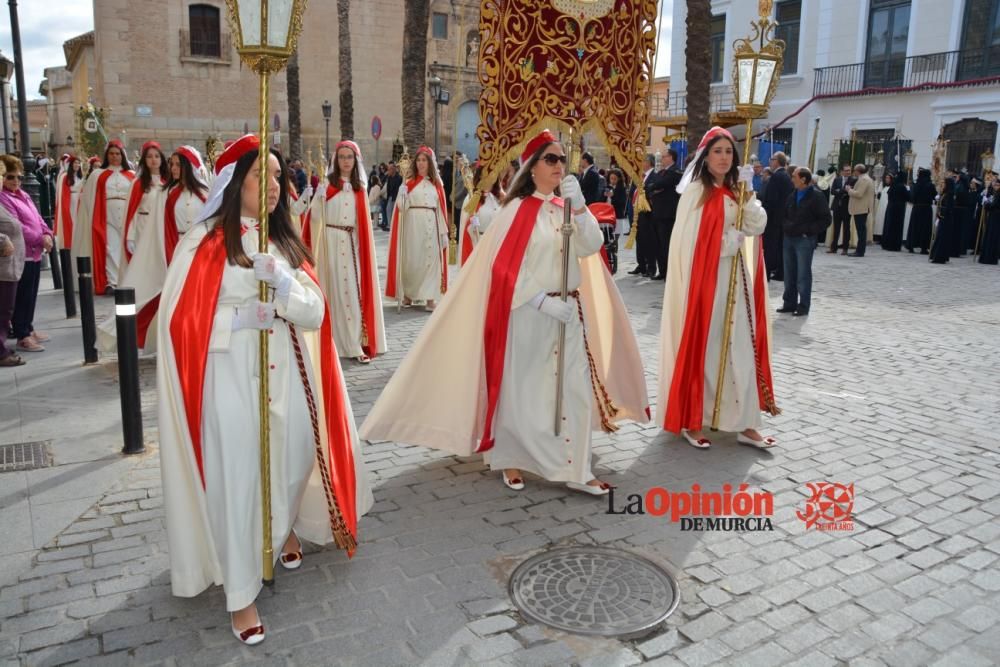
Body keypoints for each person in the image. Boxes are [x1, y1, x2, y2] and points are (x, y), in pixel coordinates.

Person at [156, 135, 373, 645]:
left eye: (278, 175)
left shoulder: (282, 240)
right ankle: (241, 593)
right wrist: (239, 318)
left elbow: (316, 313)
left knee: (293, 457)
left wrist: (283, 286)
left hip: (287, 378)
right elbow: (179, 324)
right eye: (263, 176)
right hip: (229, 380)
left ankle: (278, 531)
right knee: (240, 478)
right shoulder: (204, 240)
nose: (276, 186)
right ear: (236, 184)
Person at [360, 129, 648, 494]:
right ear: (532, 167)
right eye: (551, 159)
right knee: (524, 389)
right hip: (531, 310)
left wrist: (582, 209)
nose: (560, 165)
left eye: (562, 159)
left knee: (573, 388)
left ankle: (577, 468)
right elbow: (506, 266)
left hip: (569, 309)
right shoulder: (517, 209)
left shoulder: (566, 207)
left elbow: (590, 246)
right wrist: (541, 301)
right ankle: (510, 457)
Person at [657, 126, 778, 450]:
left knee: (740, 350)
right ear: (705, 156)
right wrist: (727, 243)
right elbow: (688, 244)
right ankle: (693, 419)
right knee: (707, 350)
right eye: (717, 151)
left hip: (736, 285)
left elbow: (758, 225)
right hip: (705, 286)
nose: (723, 157)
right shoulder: (697, 192)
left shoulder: (737, 189)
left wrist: (749, 195)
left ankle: (745, 422)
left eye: (728, 152)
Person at [309, 139, 386, 364]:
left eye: (349, 157)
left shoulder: (359, 190)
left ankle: (353, 344)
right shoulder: (327, 186)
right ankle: (331, 342)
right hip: (329, 245)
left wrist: (362, 251)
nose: (345, 161)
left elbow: (363, 227)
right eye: (342, 157)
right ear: (336, 159)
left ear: (356, 160)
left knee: (351, 293)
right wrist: (318, 198)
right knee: (330, 291)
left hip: (349, 244)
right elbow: (313, 219)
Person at [0, 155, 54, 354]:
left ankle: (28, 328)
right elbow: (17, 226)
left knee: (31, 295)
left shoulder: (24, 194)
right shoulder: (3, 197)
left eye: (18, 177)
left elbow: (37, 218)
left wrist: (47, 233)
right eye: (10, 177)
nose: (15, 181)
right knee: (21, 297)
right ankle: (22, 334)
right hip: (20, 253)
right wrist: (40, 239)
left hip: (35, 252)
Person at [385, 146, 449, 311]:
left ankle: (429, 299)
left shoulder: (436, 184)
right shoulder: (408, 182)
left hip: (432, 226)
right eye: (419, 160)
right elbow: (401, 207)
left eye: (424, 160)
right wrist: (403, 192)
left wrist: (444, 233)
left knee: (431, 260)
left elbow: (441, 209)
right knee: (413, 261)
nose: (421, 164)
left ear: (430, 163)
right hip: (413, 227)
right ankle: (408, 295)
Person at [73, 139, 136, 294]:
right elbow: (89, 198)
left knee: (127, 246)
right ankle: (112, 282)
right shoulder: (97, 175)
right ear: (107, 155)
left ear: (122, 155)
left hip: (128, 215)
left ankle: (128, 279)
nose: (115, 157)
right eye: (111, 154)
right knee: (111, 247)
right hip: (105, 215)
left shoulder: (132, 175)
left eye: (117, 154)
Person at [777, 167, 830, 317]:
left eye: (794, 176)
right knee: (789, 272)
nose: (791, 179)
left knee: (803, 274)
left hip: (804, 240)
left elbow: (826, 219)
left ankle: (803, 305)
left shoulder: (816, 196)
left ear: (803, 179)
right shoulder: (793, 194)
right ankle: (789, 302)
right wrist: (786, 226)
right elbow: (785, 213)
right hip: (789, 238)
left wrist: (808, 230)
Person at [121, 141, 169, 277]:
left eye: (156, 156)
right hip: (142, 227)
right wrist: (130, 237)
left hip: (162, 228)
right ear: (144, 160)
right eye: (149, 156)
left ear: (161, 159)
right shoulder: (138, 184)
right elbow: (132, 212)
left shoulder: (168, 182)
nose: (153, 160)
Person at [0, 159, 26, 366]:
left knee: (5, 309)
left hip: (9, 266)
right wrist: (3, 239)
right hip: (3, 266)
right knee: (3, 309)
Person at [646, 149, 683, 279]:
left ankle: (669, 273)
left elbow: (661, 184)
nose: (661, 159)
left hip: (668, 214)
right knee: (658, 244)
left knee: (667, 244)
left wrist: (654, 187)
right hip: (658, 212)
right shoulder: (663, 172)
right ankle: (662, 271)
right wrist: (654, 188)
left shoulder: (675, 171)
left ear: (671, 157)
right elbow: (652, 187)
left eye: (664, 156)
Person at [457, 162, 502, 266]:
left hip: (493, 247)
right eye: (485, 176)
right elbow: (465, 226)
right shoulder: (471, 199)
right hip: (477, 245)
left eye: (491, 175)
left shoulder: (496, 199)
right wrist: (472, 224)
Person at [762, 151, 793, 280]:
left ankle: (767, 271)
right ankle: (780, 272)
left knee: (771, 246)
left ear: (777, 161)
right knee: (780, 246)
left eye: (772, 159)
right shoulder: (786, 176)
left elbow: (772, 198)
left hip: (774, 218)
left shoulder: (776, 176)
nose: (770, 161)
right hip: (782, 217)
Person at [629, 154, 657, 276]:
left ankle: (651, 267)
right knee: (639, 240)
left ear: (649, 162)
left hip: (647, 213)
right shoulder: (640, 176)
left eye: (643, 161)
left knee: (648, 241)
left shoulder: (654, 176)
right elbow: (632, 192)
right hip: (636, 212)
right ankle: (641, 265)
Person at [53, 155, 83, 254]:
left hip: (80, 201)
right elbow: (64, 194)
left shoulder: (80, 176)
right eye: (75, 163)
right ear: (71, 164)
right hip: (71, 202)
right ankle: (72, 242)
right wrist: (65, 207)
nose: (77, 165)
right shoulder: (65, 176)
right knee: (72, 221)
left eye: (78, 163)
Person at [845, 163, 875, 257]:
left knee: (861, 231)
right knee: (861, 230)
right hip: (861, 208)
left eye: (854, 170)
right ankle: (859, 250)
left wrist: (849, 190)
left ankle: (860, 251)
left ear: (858, 171)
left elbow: (859, 194)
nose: (854, 172)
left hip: (861, 208)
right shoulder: (864, 178)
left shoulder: (864, 179)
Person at [931, 172, 959, 264]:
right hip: (943, 218)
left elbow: (948, 209)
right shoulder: (945, 194)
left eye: (944, 183)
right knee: (939, 237)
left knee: (943, 238)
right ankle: (937, 255)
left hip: (946, 219)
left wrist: (940, 214)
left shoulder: (950, 195)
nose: (943, 185)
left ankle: (940, 257)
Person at [906, 168, 935, 254]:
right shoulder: (930, 185)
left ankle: (911, 246)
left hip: (916, 208)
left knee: (914, 227)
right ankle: (923, 247)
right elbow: (935, 195)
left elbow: (912, 197)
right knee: (925, 229)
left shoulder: (916, 185)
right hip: (926, 209)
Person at [827, 164, 853, 254]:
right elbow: (833, 191)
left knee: (846, 228)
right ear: (842, 171)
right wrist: (843, 190)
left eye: (849, 170)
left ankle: (845, 248)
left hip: (847, 207)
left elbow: (850, 192)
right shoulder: (836, 180)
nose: (848, 172)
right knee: (836, 228)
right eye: (846, 170)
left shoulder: (853, 180)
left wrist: (840, 191)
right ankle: (833, 248)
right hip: (837, 207)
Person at [880, 172, 909, 251]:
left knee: (889, 225)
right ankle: (894, 245)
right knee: (897, 227)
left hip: (890, 207)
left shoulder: (893, 185)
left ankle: (887, 244)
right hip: (899, 209)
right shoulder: (902, 187)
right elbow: (908, 197)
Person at [978, 178, 1000, 265]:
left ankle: (990, 257)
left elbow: (994, 205)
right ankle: (986, 256)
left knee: (993, 236)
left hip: (996, 217)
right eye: (995, 185)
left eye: (997, 185)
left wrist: (987, 203)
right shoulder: (995, 193)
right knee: (989, 235)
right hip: (992, 217)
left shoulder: (998, 194)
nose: (996, 187)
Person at [382, 162, 402, 232]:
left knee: (394, 212)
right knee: (388, 210)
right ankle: (390, 225)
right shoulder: (389, 177)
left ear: (394, 169)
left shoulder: (399, 178)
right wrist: (386, 175)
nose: (388, 170)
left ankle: (395, 226)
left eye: (390, 169)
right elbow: (382, 181)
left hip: (396, 197)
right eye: (388, 169)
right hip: (390, 197)